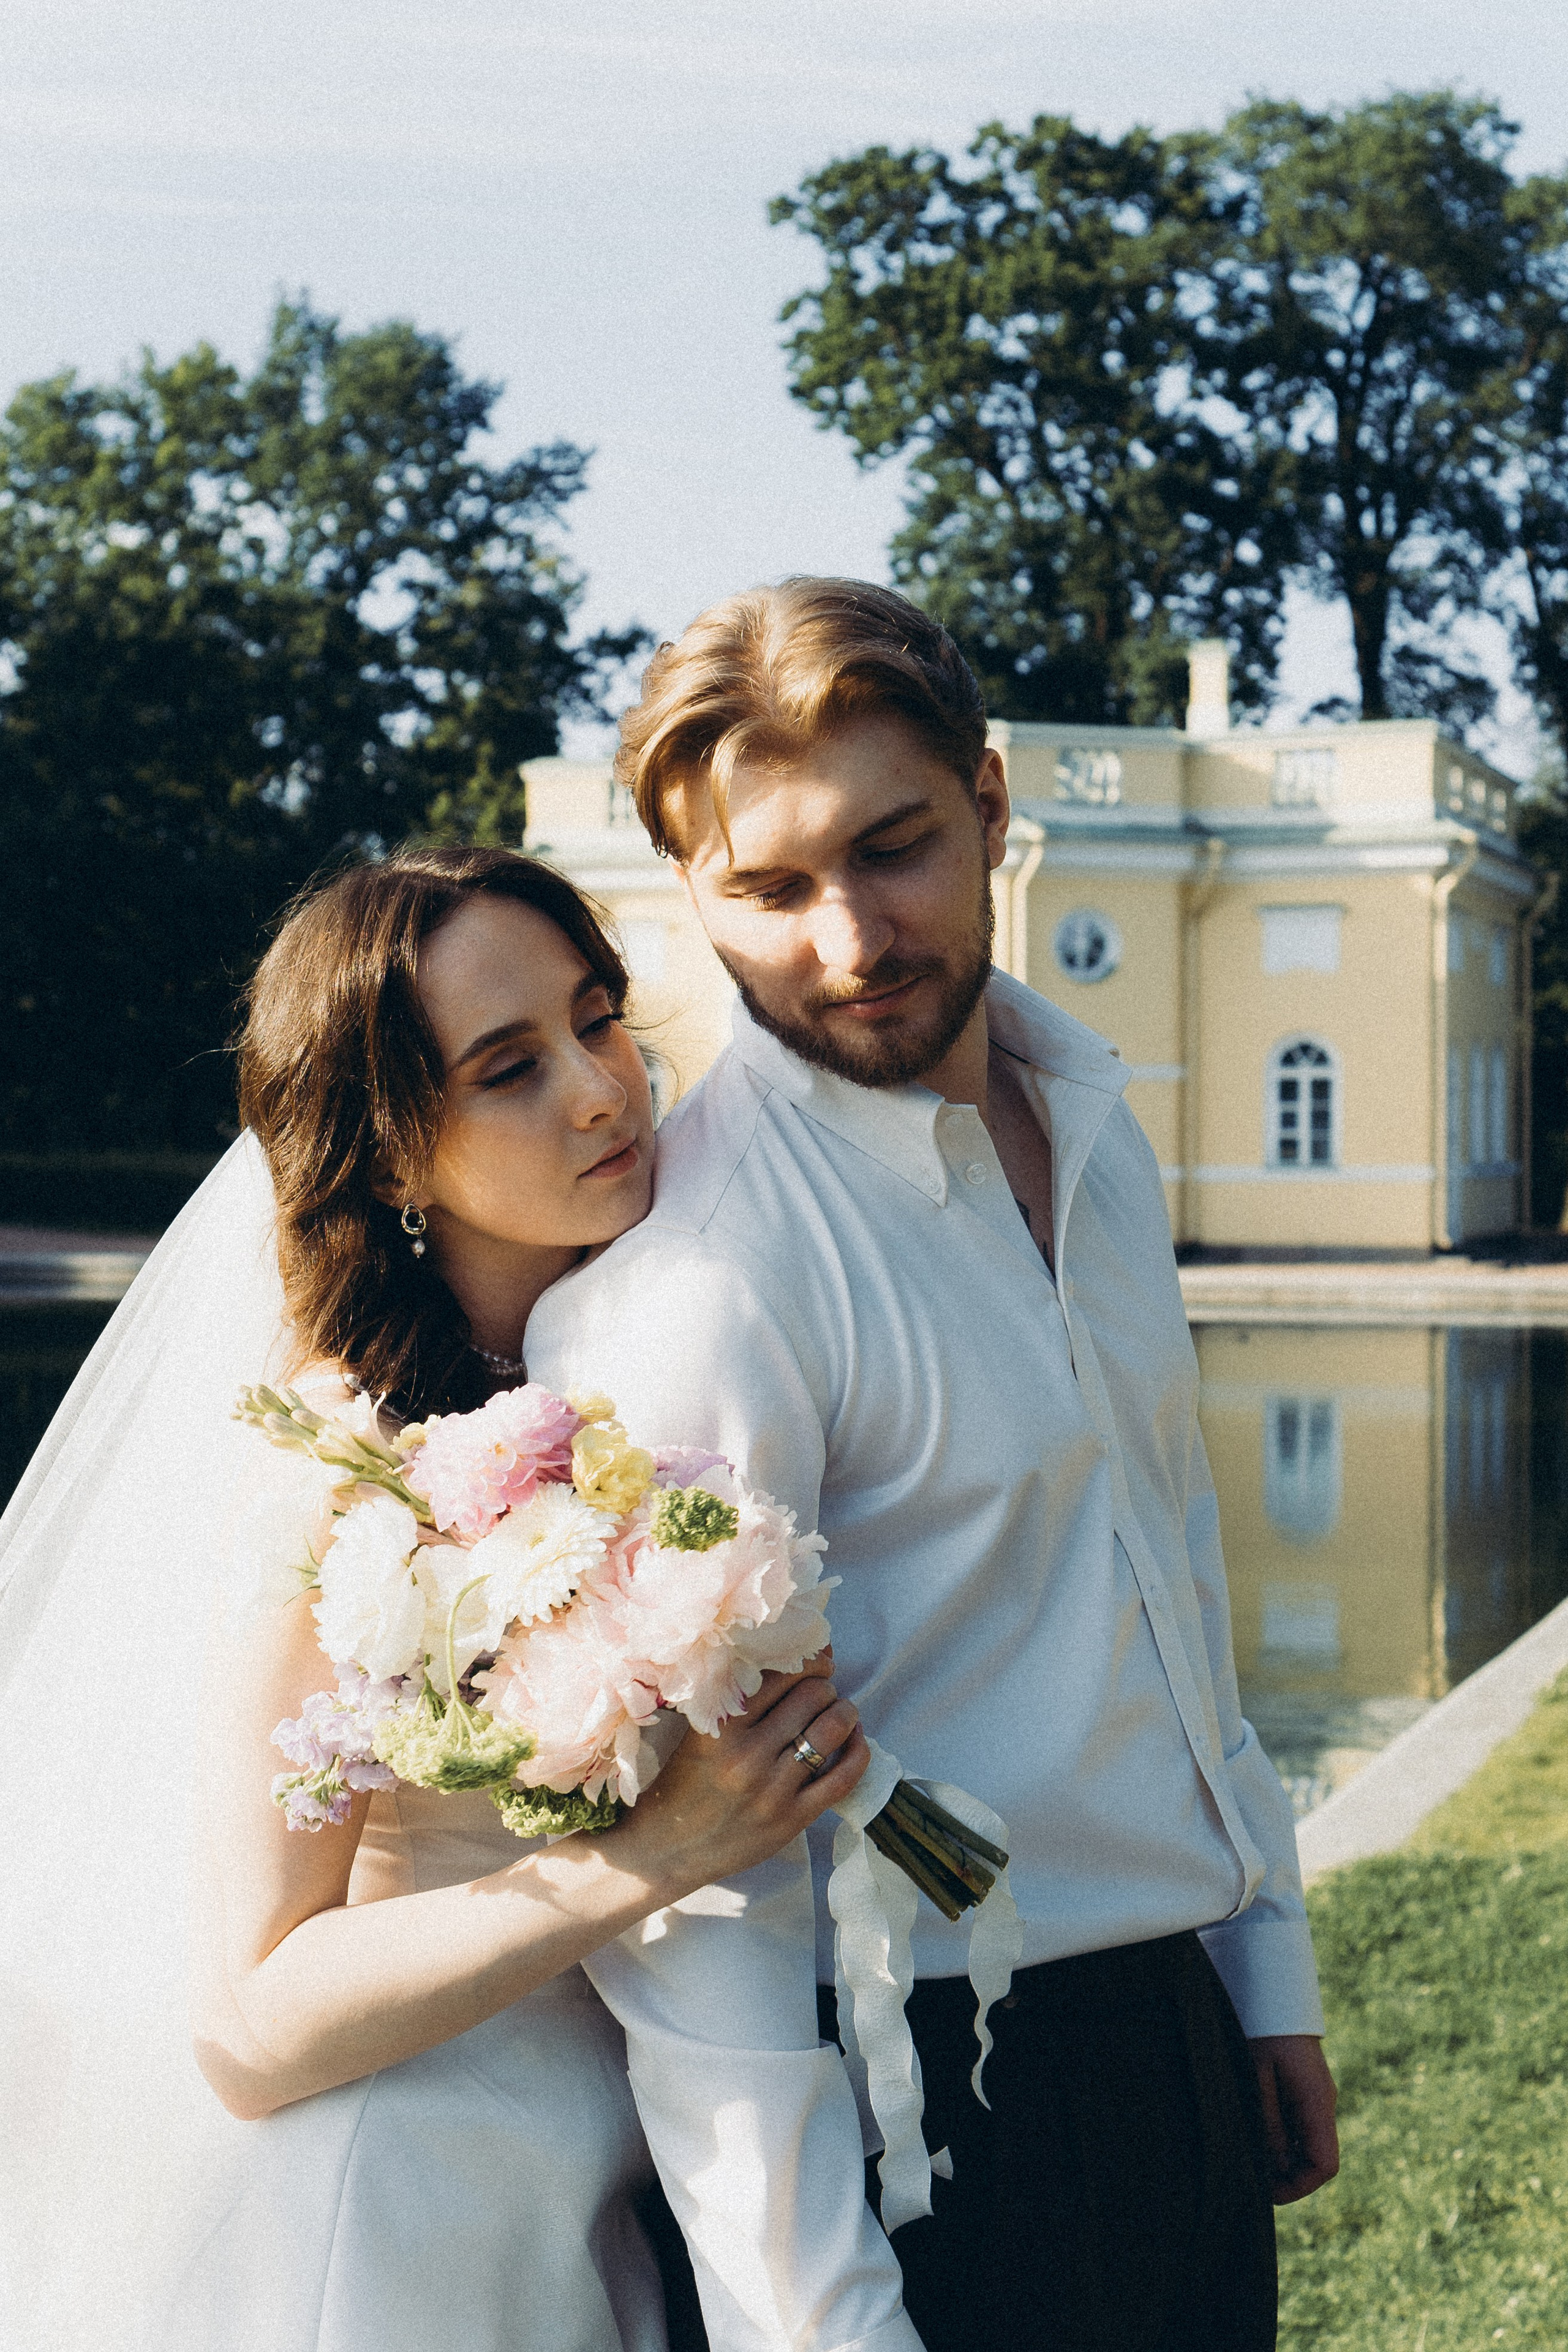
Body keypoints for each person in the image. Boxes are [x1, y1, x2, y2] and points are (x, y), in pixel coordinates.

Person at [524, 579, 1341, 2352]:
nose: (846, 940)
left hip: (1170, 2040)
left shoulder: (1091, 1126)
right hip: (923, 2118)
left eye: (892, 849)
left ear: (990, 804)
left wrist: (1258, 1966)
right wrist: (819, 2329)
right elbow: (701, 1923)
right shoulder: (702, 1289)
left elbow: (1175, 1575)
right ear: (691, 896)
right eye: (769, 889)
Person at [0, 845, 915, 2352]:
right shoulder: (336, 1475)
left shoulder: (607, 1381)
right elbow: (247, 2024)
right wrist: (654, 1855)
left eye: (598, 1017)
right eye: (508, 1067)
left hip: (581, 2179)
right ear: (392, 1153)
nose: (603, 1089)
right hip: (393, 2215)